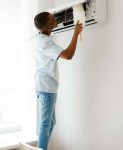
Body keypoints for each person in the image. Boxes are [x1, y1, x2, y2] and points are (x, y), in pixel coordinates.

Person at [34, 12, 83, 150]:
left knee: (51, 122)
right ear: (48, 26)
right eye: (53, 19)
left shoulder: (40, 37)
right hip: (47, 88)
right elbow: (68, 55)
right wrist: (75, 33)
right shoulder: (46, 43)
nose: (56, 18)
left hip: (44, 86)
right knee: (45, 124)